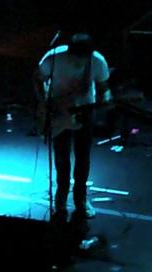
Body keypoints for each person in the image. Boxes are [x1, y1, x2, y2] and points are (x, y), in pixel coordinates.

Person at [34, 33, 111, 223]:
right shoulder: (53, 58)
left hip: (84, 111)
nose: (80, 59)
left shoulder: (97, 61)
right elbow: (38, 78)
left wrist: (106, 98)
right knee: (62, 158)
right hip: (59, 113)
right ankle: (60, 200)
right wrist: (44, 102)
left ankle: (80, 200)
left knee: (83, 157)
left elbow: (103, 86)